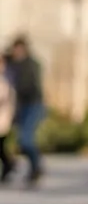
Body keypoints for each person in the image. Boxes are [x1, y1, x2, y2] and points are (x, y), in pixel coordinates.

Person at [6, 37, 45, 187]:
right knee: (20, 141)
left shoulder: (31, 64)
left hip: (33, 105)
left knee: (25, 139)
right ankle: (32, 168)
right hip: (20, 106)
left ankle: (36, 167)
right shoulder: (13, 62)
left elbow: (28, 86)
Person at [0, 54, 15, 183]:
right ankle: (9, 165)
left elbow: (4, 100)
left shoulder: (5, 80)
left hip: (2, 118)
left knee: (1, 146)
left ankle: (9, 165)